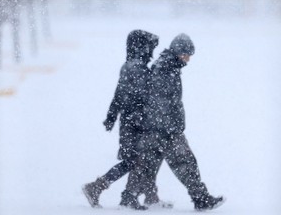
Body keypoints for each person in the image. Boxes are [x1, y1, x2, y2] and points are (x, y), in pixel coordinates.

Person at [120, 33, 225, 211]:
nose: (188, 59)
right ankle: (200, 198)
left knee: (146, 164)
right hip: (164, 128)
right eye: (186, 54)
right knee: (185, 162)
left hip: (157, 127)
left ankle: (129, 197)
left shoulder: (168, 66)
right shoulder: (165, 70)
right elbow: (159, 101)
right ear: (178, 51)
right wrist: (169, 128)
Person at [82, 30, 171, 210]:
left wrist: (112, 116)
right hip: (135, 124)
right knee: (135, 160)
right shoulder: (136, 68)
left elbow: (119, 95)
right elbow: (139, 98)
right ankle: (97, 187)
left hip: (132, 122)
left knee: (143, 159)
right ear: (142, 47)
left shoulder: (130, 65)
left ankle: (149, 195)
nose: (152, 51)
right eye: (150, 47)